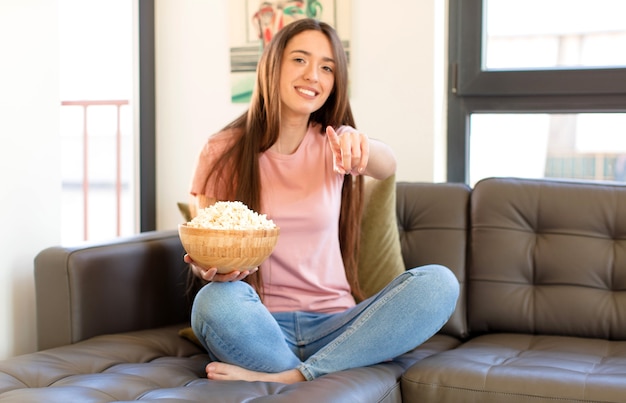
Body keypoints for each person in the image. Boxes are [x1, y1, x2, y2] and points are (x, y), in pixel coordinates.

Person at [184, 18, 459, 384]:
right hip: (260, 323)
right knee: (212, 302)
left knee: (440, 283)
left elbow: (387, 164)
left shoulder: (337, 144)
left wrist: (363, 145)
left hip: (339, 324)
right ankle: (317, 371)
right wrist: (207, 269)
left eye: (326, 67)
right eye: (300, 60)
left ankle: (293, 379)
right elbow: (203, 248)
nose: (313, 75)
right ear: (273, 64)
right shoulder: (222, 151)